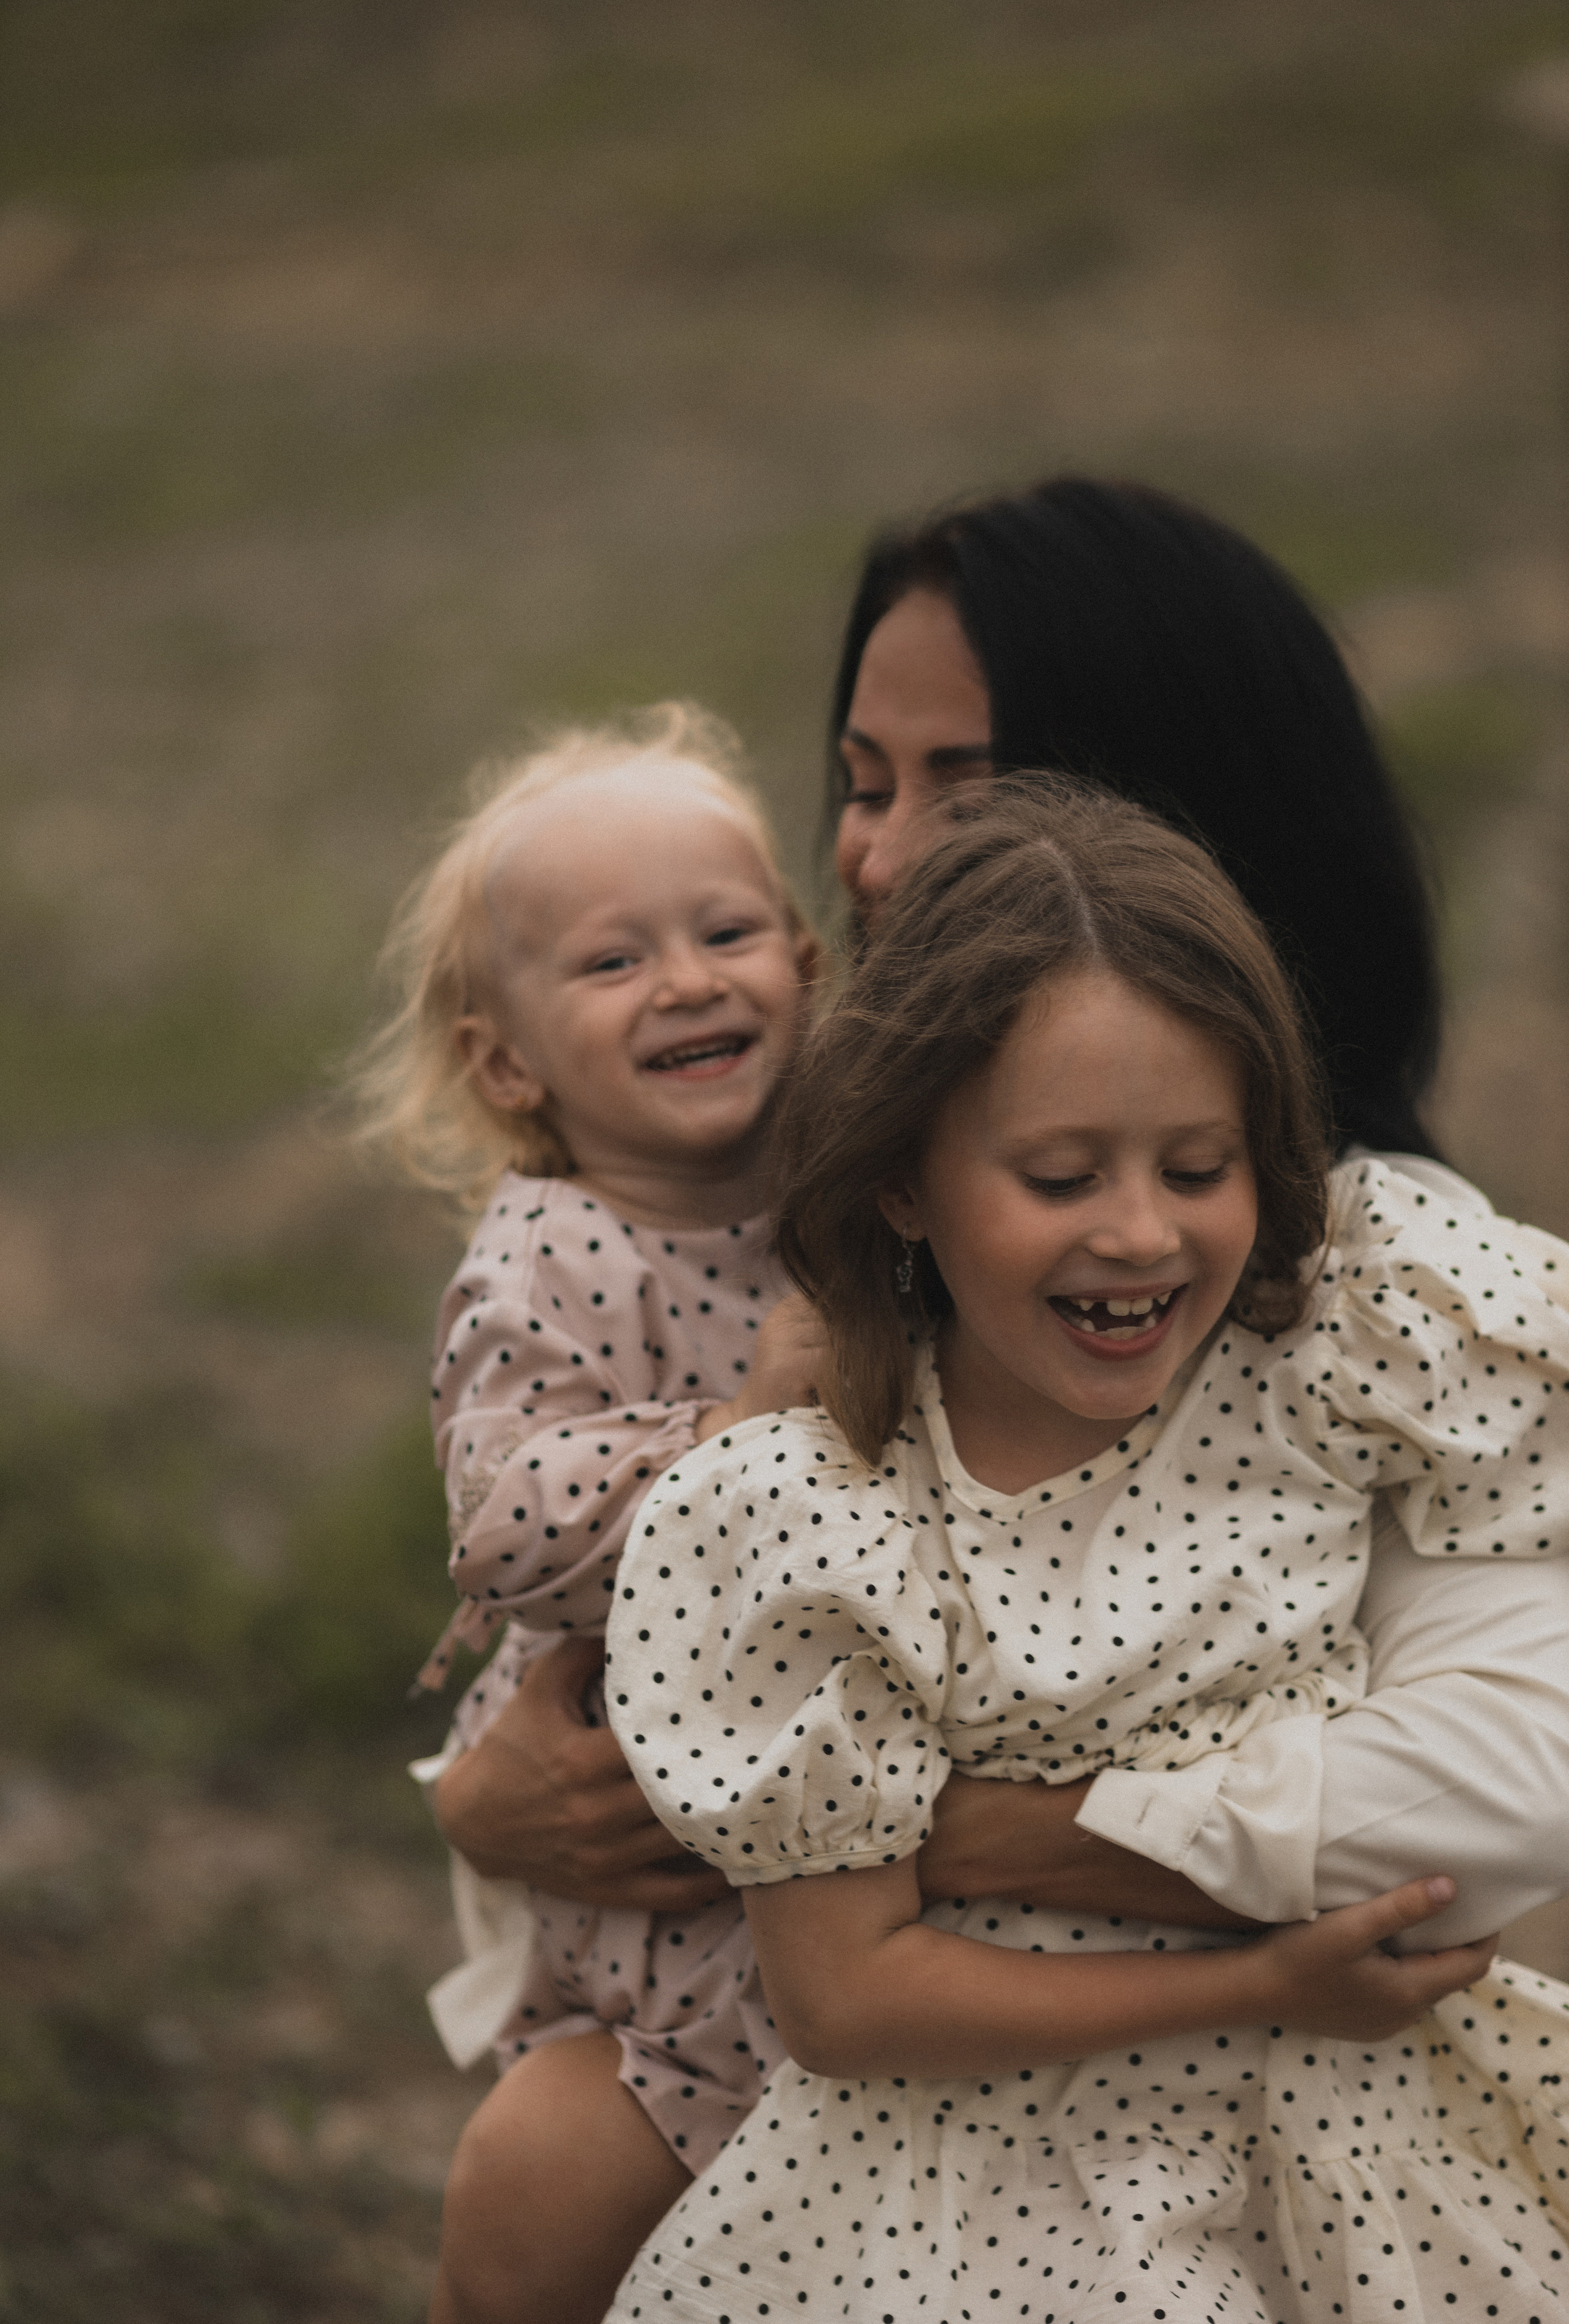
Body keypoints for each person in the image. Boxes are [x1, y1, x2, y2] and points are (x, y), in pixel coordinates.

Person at [439, 475, 1569, 1970]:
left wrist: (926, 1830)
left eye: (968, 790)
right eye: (861, 783)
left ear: (1189, 813)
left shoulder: (1378, 1291)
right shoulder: (859, 1208)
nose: (878, 861)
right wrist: (474, 1799)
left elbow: (1502, 1793)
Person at [604, 782, 1569, 2324]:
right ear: (904, 1180)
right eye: (1059, 1179)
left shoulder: (1321, 1364)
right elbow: (846, 1999)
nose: (1138, 1234)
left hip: (1357, 2137)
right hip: (985, 2178)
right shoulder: (810, 1518)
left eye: (1197, 1169)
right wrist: (1254, 1981)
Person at [353, 705, 827, 2324]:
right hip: (645, 1839)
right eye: (616, 964)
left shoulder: (838, 1191)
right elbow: (509, 1525)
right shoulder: (549, 1256)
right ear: (510, 1062)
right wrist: (742, 1428)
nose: (690, 980)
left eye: (728, 931)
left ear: (809, 966)